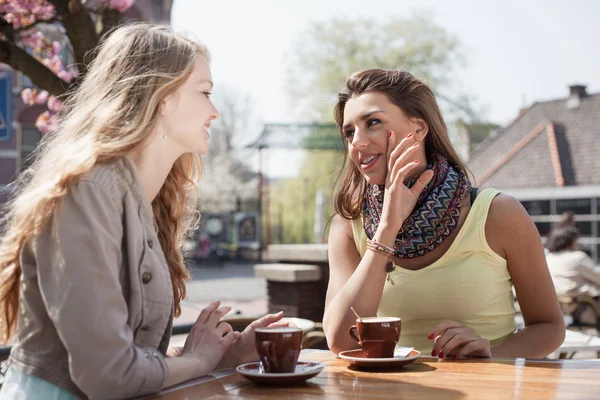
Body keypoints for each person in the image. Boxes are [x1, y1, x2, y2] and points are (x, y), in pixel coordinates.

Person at [0, 23, 284, 399]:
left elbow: (130, 358)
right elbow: (109, 376)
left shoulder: (141, 199)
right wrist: (199, 361)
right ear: (163, 96)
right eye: (205, 92)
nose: (214, 111)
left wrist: (221, 356)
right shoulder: (87, 192)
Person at [323, 69, 565, 360]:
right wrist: (387, 228)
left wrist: (491, 354)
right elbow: (339, 341)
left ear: (419, 127)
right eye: (349, 132)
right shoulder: (349, 225)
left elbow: (549, 328)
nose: (357, 143)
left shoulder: (498, 214)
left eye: (372, 122)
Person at [546, 225, 600, 306]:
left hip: (558, 304)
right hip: (584, 305)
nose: (579, 243)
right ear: (570, 241)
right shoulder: (578, 257)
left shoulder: (548, 257)